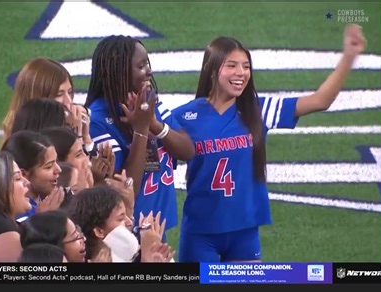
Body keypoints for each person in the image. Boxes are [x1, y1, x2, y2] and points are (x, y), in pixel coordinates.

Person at [171, 24, 366, 262]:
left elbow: (320, 100)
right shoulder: (184, 116)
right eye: (231, 65)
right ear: (211, 69)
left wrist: (348, 57)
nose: (240, 73)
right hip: (201, 232)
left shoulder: (259, 109)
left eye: (246, 66)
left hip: (245, 231)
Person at [84, 35, 195, 235]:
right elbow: (126, 191)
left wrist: (154, 124)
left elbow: (187, 150)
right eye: (141, 65)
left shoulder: (149, 103)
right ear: (118, 72)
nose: (149, 71)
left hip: (156, 229)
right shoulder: (97, 121)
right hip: (124, 233)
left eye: (148, 63)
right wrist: (142, 130)